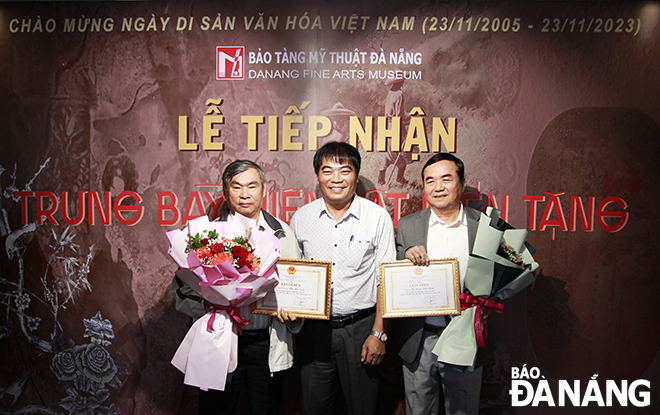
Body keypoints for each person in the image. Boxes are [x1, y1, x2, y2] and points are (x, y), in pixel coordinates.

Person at [170, 160, 301, 415]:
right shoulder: (208, 236)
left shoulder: (282, 233)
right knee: (215, 410)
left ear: (263, 190)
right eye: (236, 187)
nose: (244, 194)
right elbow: (184, 288)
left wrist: (293, 315)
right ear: (226, 192)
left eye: (252, 186)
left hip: (265, 345)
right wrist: (205, 304)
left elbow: (297, 289)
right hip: (220, 339)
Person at [289, 141, 396, 415]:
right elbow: (292, 275)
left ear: (356, 176)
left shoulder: (377, 218)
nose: (336, 179)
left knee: (363, 408)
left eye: (344, 170)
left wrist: (379, 333)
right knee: (313, 408)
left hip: (361, 330)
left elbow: (386, 278)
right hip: (315, 332)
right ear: (317, 177)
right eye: (327, 171)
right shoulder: (301, 219)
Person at [393, 153, 485, 415]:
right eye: (430, 181)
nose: (438, 187)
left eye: (446, 178)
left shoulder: (482, 227)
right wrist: (406, 256)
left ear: (462, 182)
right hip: (420, 338)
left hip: (465, 337)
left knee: (463, 410)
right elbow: (394, 278)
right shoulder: (408, 226)